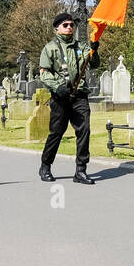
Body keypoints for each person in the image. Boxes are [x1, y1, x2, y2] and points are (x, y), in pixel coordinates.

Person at [38, 12, 100, 184]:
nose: (69, 27)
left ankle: (80, 171)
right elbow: (44, 73)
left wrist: (95, 49)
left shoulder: (80, 46)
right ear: (57, 27)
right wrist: (57, 87)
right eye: (65, 25)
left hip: (79, 95)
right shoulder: (50, 48)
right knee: (56, 132)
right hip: (60, 96)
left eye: (71, 25)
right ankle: (45, 165)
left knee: (84, 130)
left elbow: (94, 63)